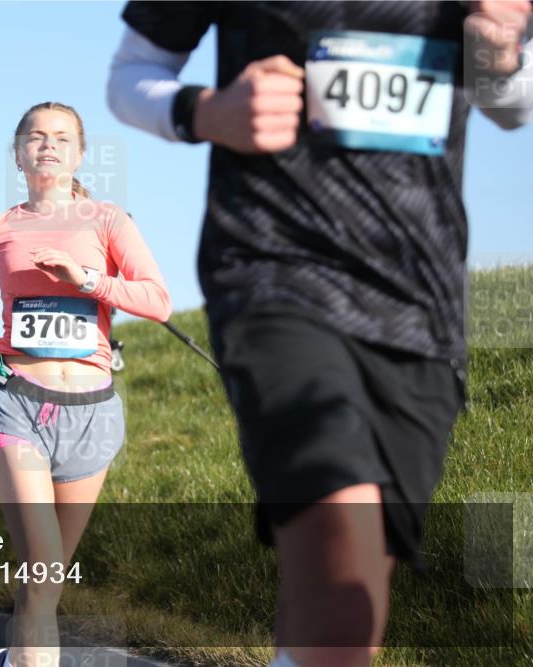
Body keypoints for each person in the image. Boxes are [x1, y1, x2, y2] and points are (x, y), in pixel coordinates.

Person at [107, 2, 532, 666]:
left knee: (342, 611)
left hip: (419, 306)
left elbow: (512, 104)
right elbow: (132, 73)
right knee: (341, 557)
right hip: (273, 270)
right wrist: (206, 110)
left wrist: (498, 51)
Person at [0, 102, 172, 667]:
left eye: (61, 137)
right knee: (44, 561)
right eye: (35, 136)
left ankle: (11, 661)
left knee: (44, 582)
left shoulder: (108, 221)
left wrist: (88, 280)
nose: (47, 145)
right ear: (17, 153)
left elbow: (156, 299)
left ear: (78, 153)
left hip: (93, 409)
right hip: (18, 402)